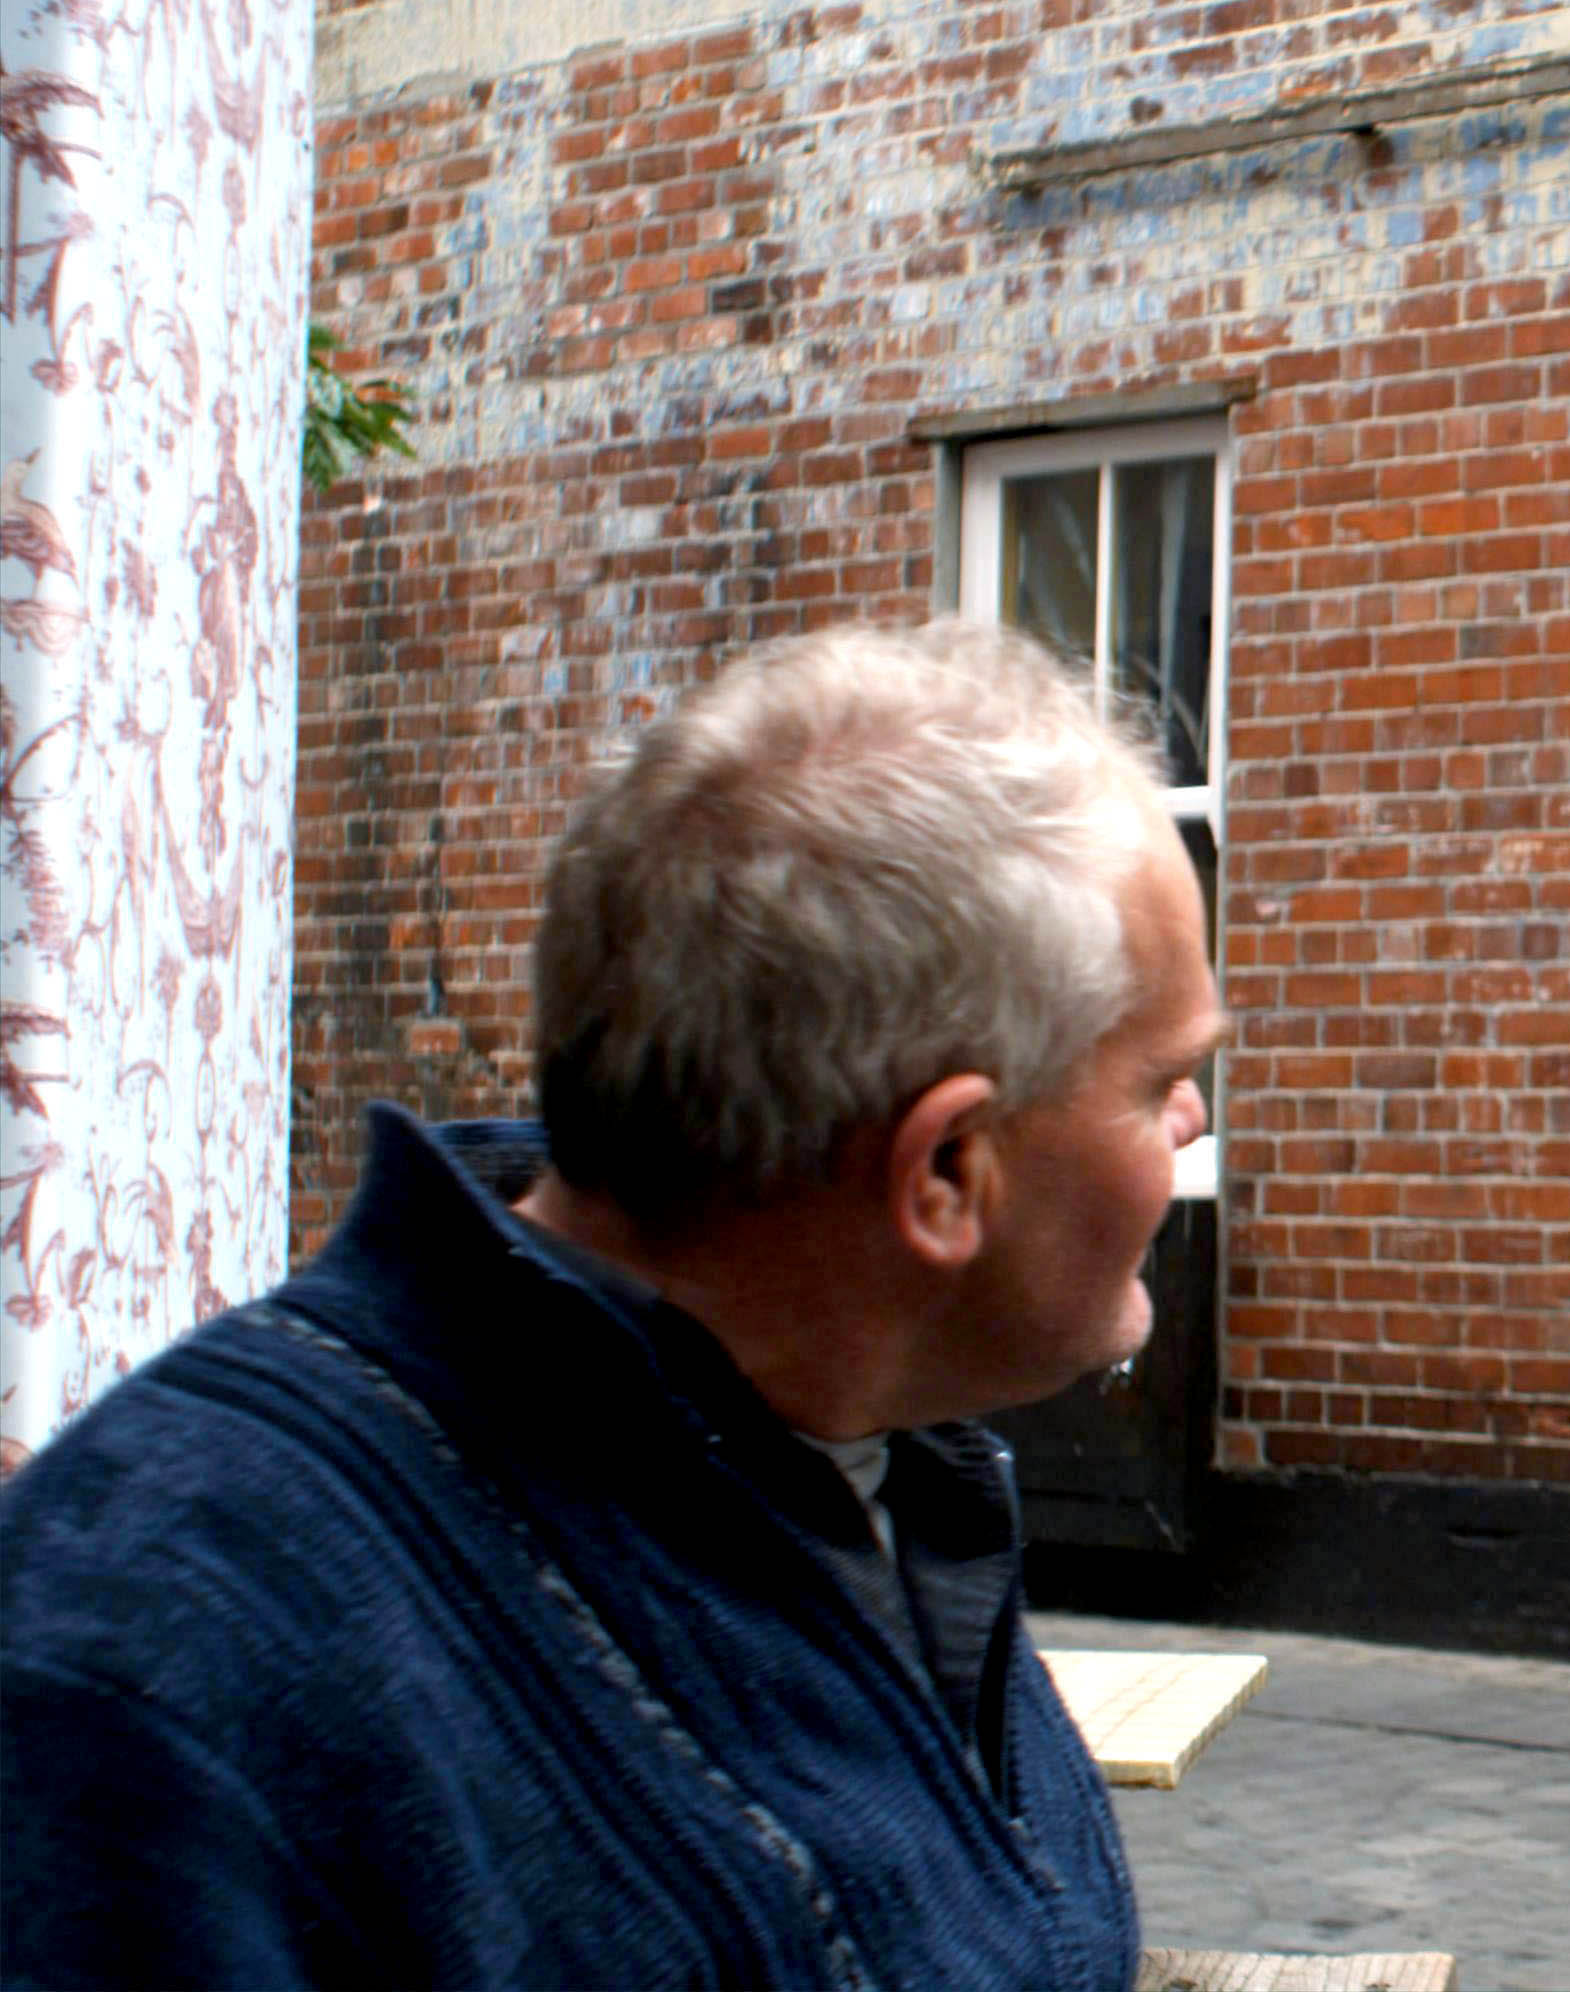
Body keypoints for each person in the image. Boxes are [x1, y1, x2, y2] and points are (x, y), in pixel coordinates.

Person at [0, 622, 1220, 1986]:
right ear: (946, 1169)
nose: (1190, 1116)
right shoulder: (157, 1673)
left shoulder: (866, 1456)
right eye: (1156, 1075)